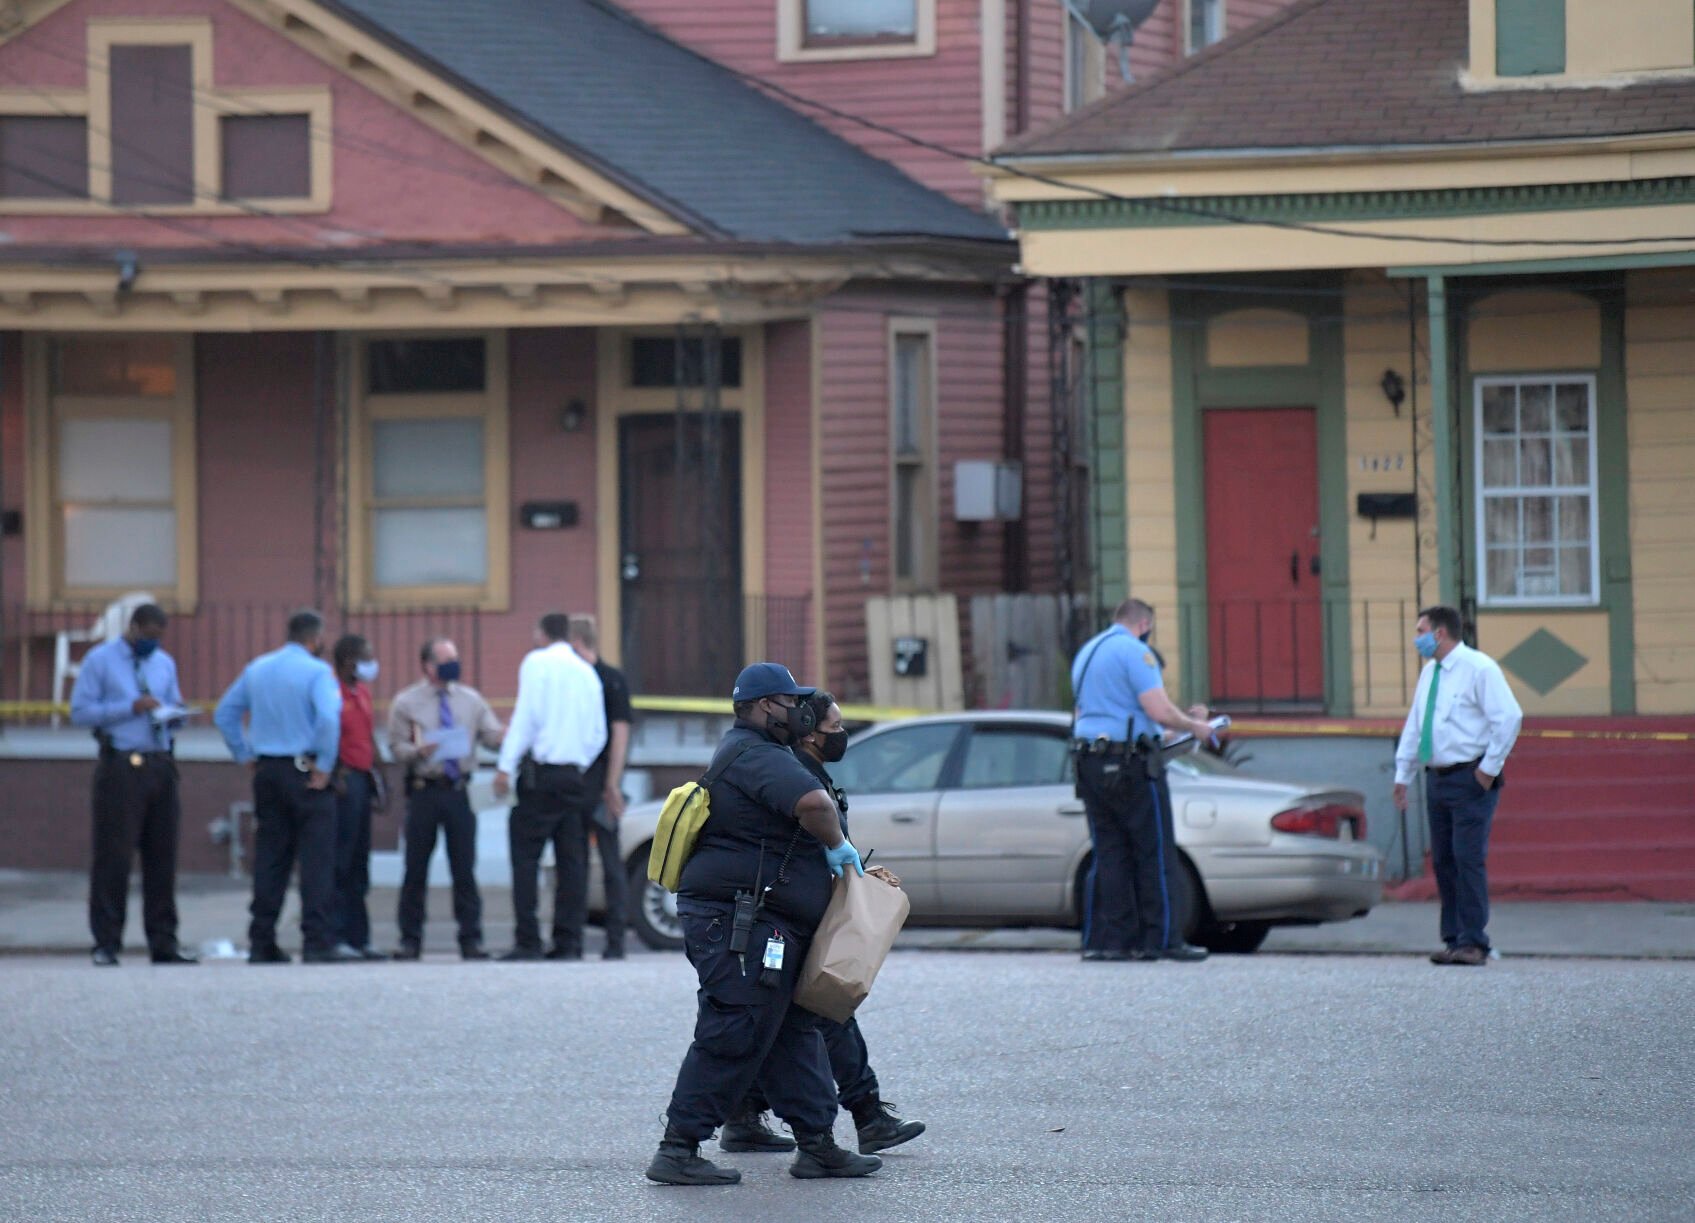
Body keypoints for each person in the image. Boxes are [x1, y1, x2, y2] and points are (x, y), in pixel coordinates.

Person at [646, 663, 879, 1187]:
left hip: (763, 921)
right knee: (735, 1029)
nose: (799, 711)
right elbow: (814, 803)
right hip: (740, 923)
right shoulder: (752, 755)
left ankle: (818, 1146)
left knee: (791, 1033)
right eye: (789, 701)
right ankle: (677, 1149)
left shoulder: (759, 754)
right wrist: (834, 844)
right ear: (763, 706)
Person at [722, 691, 926, 1158]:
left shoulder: (805, 770)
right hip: (792, 915)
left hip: (801, 909)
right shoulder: (791, 775)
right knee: (828, 1010)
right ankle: (866, 1117)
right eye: (834, 729)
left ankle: (743, 1116)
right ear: (810, 731)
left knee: (779, 1021)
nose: (841, 736)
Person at [1070, 597, 1216, 963]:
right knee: (1153, 850)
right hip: (1130, 766)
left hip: (1089, 762)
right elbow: (1159, 710)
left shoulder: (1087, 653)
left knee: (1110, 853)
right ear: (1144, 625)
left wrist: (1169, 728)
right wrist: (1195, 725)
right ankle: (1163, 939)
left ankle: (1109, 941)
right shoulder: (1137, 653)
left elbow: (1104, 714)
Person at [214, 609, 349, 964]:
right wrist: (324, 764)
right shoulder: (319, 672)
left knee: (270, 858)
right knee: (316, 859)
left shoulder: (257, 668)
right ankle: (316, 941)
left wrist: (244, 754)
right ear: (315, 639)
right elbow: (328, 719)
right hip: (305, 771)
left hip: (268, 771)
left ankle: (262, 940)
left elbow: (225, 713)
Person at [1393, 605, 1523, 967]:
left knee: (1467, 858)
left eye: (1420, 630)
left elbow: (1509, 717)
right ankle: (1453, 938)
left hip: (1469, 778)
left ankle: (1474, 941)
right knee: (1445, 861)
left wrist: (1488, 769)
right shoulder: (1431, 673)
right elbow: (1416, 724)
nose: (1416, 637)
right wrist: (1402, 775)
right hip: (1437, 778)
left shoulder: (1479, 668)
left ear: (1439, 633)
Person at [69, 603, 196, 967]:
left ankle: (163, 941)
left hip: (160, 762)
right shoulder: (101, 660)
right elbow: (80, 712)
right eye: (148, 635)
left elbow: (172, 701)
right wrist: (130, 707)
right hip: (121, 765)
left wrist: (175, 715)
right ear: (133, 627)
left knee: (162, 856)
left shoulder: (164, 663)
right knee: (114, 856)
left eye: (159, 637)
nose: (153, 643)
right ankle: (107, 942)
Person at [493, 613, 607, 962]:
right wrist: (579, 764)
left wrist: (504, 766)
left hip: (540, 776)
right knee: (571, 861)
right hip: (575, 776)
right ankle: (568, 941)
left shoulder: (536, 663)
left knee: (525, 857)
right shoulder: (587, 672)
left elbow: (526, 718)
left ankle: (528, 940)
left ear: (542, 633)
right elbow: (598, 734)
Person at [389, 638, 504, 961]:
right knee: (415, 868)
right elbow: (396, 748)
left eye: (455, 657)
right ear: (428, 666)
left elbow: (491, 736)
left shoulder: (471, 701)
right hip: (424, 788)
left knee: (464, 868)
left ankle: (471, 939)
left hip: (458, 791)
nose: (454, 664)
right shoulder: (406, 702)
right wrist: (418, 751)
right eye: (446, 659)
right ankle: (410, 939)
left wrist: (506, 736)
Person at [567, 615, 633, 960]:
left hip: (596, 782)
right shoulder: (598, 678)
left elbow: (619, 734)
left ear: (576, 642)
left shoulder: (609, 680)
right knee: (578, 862)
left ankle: (612, 942)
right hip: (581, 783)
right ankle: (579, 941)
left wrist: (611, 785)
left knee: (607, 863)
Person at [330, 635, 385, 961]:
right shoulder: (332, 692)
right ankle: (337, 934)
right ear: (349, 660)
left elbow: (367, 736)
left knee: (360, 863)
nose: (370, 663)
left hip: (363, 780)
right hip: (344, 782)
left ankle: (359, 936)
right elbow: (327, 734)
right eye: (366, 657)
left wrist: (380, 778)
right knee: (342, 860)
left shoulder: (362, 692)